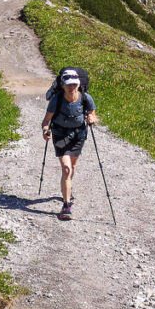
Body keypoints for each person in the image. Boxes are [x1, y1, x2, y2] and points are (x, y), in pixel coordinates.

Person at [41, 68, 98, 219]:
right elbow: (46, 121)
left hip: (78, 136)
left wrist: (92, 119)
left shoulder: (86, 98)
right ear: (62, 85)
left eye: (74, 84)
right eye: (68, 85)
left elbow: (92, 113)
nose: (71, 87)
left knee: (72, 167)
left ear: (78, 84)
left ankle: (68, 189)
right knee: (66, 169)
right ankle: (66, 206)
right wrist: (46, 131)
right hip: (60, 135)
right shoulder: (56, 100)